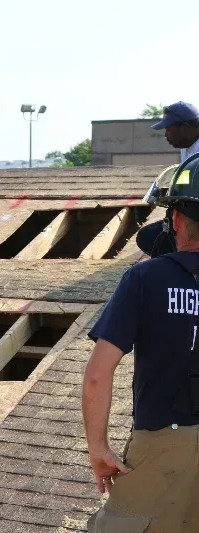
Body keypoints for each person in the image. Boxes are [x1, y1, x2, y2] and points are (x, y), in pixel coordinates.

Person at [83, 152, 199, 532]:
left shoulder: (144, 278)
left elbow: (99, 374)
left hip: (165, 441)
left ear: (177, 219)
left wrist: (99, 450)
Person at [137, 102, 199, 257]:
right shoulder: (187, 147)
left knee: (152, 238)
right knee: (149, 236)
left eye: (169, 129)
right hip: (191, 213)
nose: (166, 135)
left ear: (185, 127)